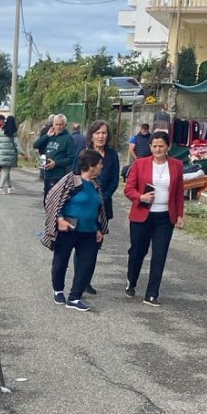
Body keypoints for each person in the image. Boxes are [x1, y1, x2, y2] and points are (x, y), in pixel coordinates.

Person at [41, 149, 108, 312]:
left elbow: (98, 208)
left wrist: (99, 228)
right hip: (68, 229)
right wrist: (59, 218)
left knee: (86, 263)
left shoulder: (96, 184)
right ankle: (58, 290)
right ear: (91, 165)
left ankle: (74, 297)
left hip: (89, 232)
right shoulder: (71, 180)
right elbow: (51, 198)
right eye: (99, 164)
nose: (101, 167)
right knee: (60, 262)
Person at [124, 130, 184, 307]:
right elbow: (129, 189)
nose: (158, 149)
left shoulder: (176, 165)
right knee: (137, 252)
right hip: (142, 215)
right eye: (155, 146)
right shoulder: (140, 164)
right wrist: (140, 197)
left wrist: (180, 214)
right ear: (150, 146)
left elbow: (179, 193)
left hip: (165, 217)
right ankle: (131, 280)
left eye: (161, 146)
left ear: (168, 147)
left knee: (159, 254)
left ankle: (151, 294)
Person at [80, 120, 120, 296]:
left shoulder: (112, 155)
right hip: (83, 205)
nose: (101, 136)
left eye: (104, 133)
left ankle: (87, 279)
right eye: (98, 133)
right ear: (92, 135)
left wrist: (102, 198)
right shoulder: (84, 153)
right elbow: (76, 174)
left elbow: (114, 181)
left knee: (95, 245)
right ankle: (79, 281)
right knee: (80, 243)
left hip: (103, 206)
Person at [33, 114, 76, 202]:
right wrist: (47, 135)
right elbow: (35, 145)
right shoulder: (50, 137)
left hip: (58, 175)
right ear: (53, 125)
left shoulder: (68, 138)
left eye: (61, 125)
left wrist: (56, 163)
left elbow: (71, 158)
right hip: (47, 173)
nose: (58, 127)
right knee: (46, 200)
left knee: (54, 202)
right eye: (56, 124)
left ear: (65, 125)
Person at [0, 115, 26, 193]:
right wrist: (23, 153)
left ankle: (9, 187)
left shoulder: (0, 129)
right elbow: (17, 144)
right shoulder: (12, 131)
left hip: (0, 153)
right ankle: (0, 188)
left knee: (6, 170)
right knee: (6, 171)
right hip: (9, 154)